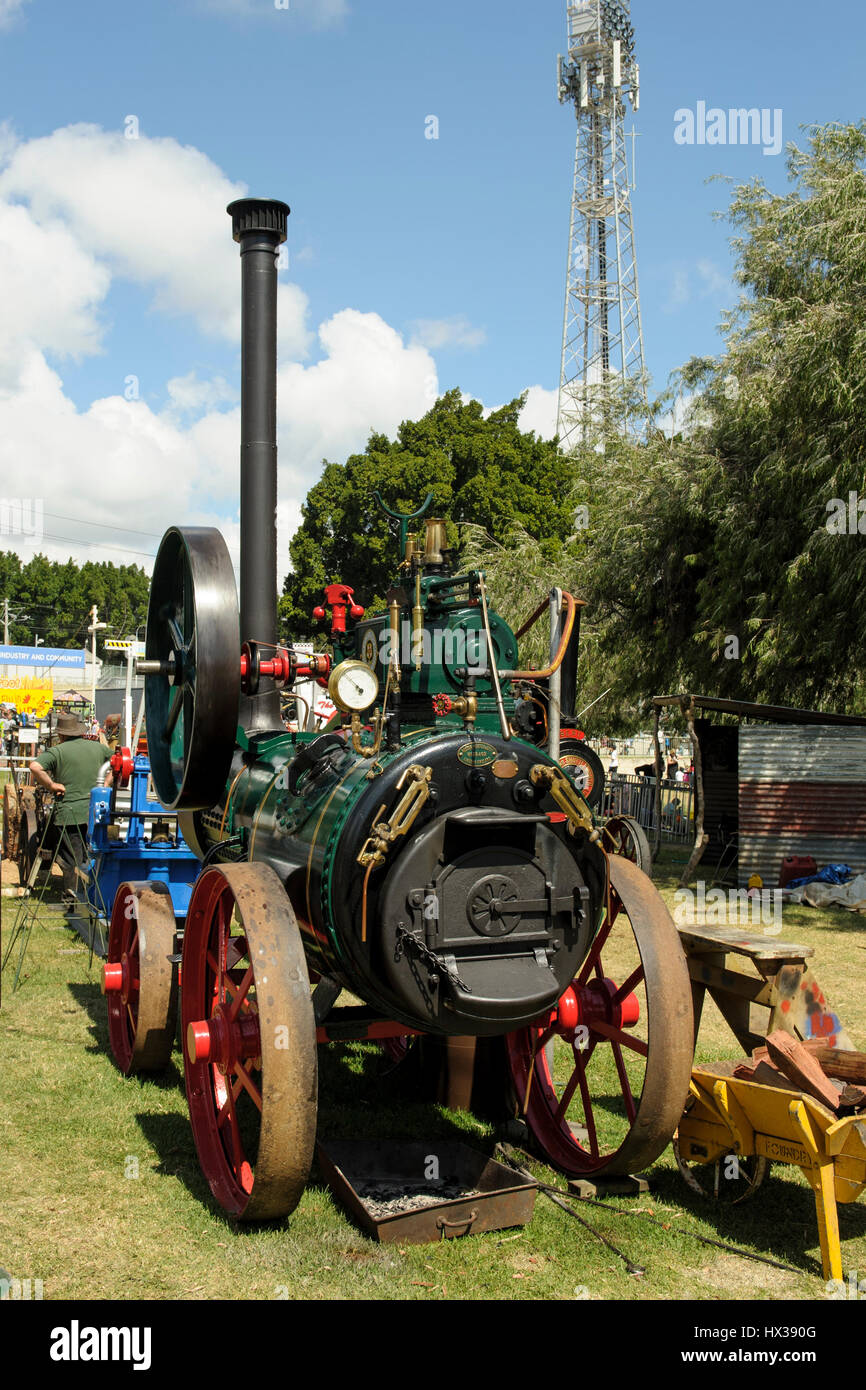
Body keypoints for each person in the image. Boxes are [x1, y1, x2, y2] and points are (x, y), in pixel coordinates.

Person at [29, 711, 110, 907]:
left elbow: (34, 767)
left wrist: (52, 786)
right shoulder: (99, 749)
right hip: (97, 811)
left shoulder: (57, 751)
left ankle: (71, 901)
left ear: (62, 734)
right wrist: (106, 784)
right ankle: (95, 897)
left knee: (71, 860)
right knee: (93, 855)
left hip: (69, 813)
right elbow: (120, 763)